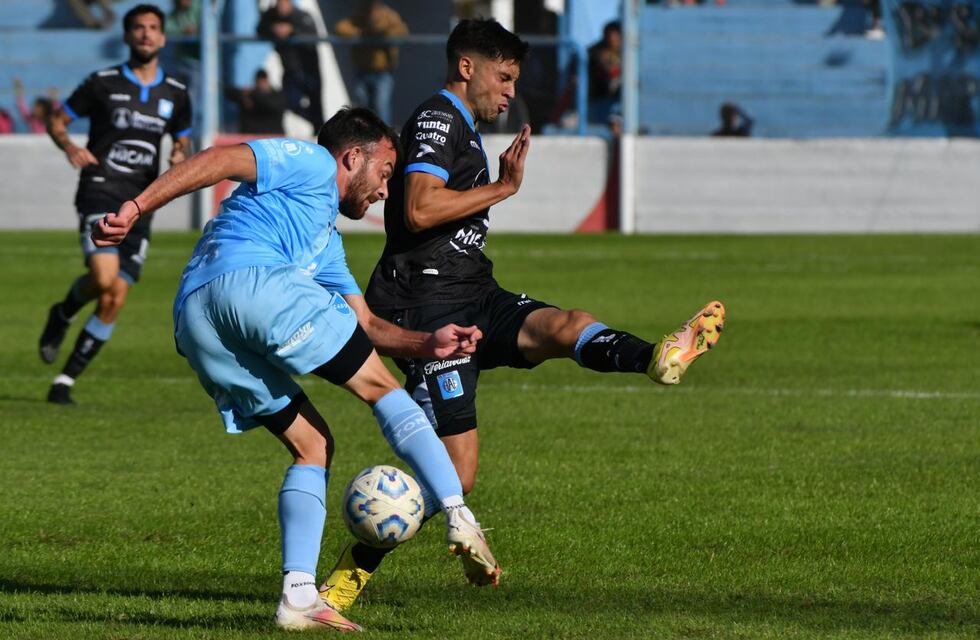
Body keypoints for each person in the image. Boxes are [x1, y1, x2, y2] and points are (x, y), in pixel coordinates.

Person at [318, 17, 726, 611]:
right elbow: (419, 208)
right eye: (503, 77)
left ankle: (657, 357)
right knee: (457, 473)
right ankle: (350, 575)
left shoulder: (460, 126)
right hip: (426, 306)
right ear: (467, 67)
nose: (510, 92)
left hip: (475, 291)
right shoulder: (437, 119)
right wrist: (503, 188)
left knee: (565, 325)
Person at [91, 107, 501, 631]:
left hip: (197, 319)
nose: (385, 190)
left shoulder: (324, 241)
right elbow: (219, 160)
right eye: (384, 172)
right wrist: (135, 207)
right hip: (256, 281)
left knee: (313, 445)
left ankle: (299, 597)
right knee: (381, 387)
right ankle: (459, 514)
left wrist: (427, 342)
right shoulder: (311, 162)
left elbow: (365, 326)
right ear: (352, 158)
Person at [39, 4, 192, 405]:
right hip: (101, 190)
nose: (146, 34)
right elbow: (57, 120)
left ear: (163, 37)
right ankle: (65, 311)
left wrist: (180, 153)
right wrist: (69, 146)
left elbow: (183, 138)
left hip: (141, 202)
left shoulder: (176, 92)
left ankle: (64, 382)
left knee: (114, 298)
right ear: (126, 36)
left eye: (153, 28)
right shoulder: (102, 82)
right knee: (105, 278)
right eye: (138, 27)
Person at [334, 0, 408, 124]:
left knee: (381, 104)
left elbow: (402, 31)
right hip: (362, 70)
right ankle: (364, 130)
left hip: (382, 72)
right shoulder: (360, 16)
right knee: (362, 104)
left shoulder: (389, 16)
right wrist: (361, 34)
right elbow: (341, 28)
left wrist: (382, 34)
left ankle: (383, 131)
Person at [257, 0, 323, 129]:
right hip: (290, 69)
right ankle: (317, 123)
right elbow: (260, 29)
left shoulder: (302, 16)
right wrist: (273, 29)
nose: (281, 7)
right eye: (279, 3)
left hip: (309, 69)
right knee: (291, 103)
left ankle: (319, 126)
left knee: (315, 104)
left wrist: (292, 31)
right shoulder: (271, 16)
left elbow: (313, 36)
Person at [225, 69, 286, 134]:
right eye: (259, 82)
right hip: (251, 136)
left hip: (272, 136)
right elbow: (229, 92)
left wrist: (254, 96)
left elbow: (270, 105)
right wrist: (245, 96)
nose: (261, 84)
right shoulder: (249, 95)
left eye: (263, 81)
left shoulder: (276, 96)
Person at [587, 20, 622, 126]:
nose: (612, 38)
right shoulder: (595, 52)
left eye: (616, 34)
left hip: (619, 101)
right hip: (599, 98)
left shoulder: (630, 51)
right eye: (609, 34)